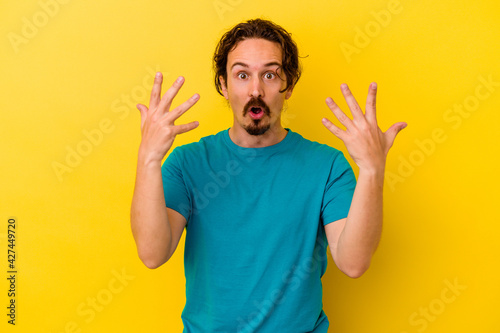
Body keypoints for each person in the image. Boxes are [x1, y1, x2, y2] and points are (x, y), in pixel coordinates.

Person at [130, 18, 406, 332]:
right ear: (224, 85)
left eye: (270, 74)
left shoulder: (327, 166)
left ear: (288, 85)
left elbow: (354, 262)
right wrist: (148, 158)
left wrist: (372, 170)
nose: (256, 90)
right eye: (242, 74)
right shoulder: (188, 163)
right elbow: (152, 254)